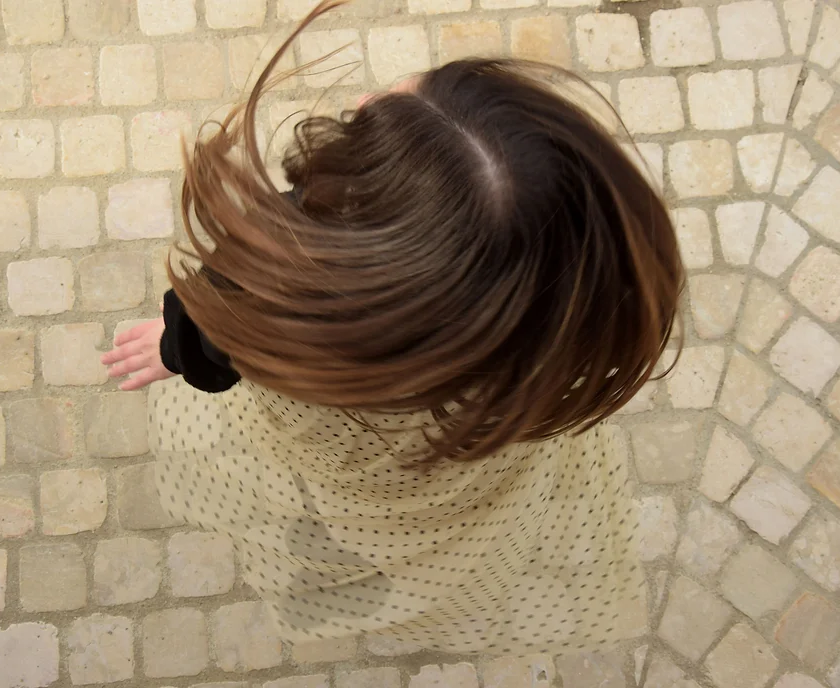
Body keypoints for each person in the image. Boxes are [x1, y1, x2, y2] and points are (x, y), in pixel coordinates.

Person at [101, 0, 683, 656]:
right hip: (469, 454)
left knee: (345, 504)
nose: (366, 93)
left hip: (349, 456)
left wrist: (173, 346)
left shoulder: (284, 276)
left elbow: (218, 334)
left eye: (376, 116)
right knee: (404, 516)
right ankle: (382, 553)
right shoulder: (556, 310)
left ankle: (347, 546)